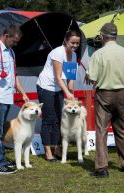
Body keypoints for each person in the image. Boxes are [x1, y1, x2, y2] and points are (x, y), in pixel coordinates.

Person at [85, 22, 124, 177]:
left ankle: (101, 168)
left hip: (104, 95)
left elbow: (92, 77)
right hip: (123, 94)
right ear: (116, 36)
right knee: (123, 129)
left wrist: (88, 75)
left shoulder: (97, 54)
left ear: (102, 36)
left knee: (101, 131)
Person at [0, 25, 29, 174]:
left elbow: (13, 76)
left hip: (7, 97)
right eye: (14, 41)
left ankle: (0, 159)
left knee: (0, 130)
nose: (15, 44)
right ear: (6, 36)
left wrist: (22, 93)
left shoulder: (10, 52)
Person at [37, 30, 81, 161]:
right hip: (46, 87)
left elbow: (70, 78)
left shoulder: (73, 56)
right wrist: (67, 92)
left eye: (77, 43)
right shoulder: (58, 53)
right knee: (48, 119)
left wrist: (71, 93)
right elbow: (57, 76)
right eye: (72, 42)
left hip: (59, 88)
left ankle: (57, 148)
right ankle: (48, 151)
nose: (75, 45)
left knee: (59, 118)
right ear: (65, 41)